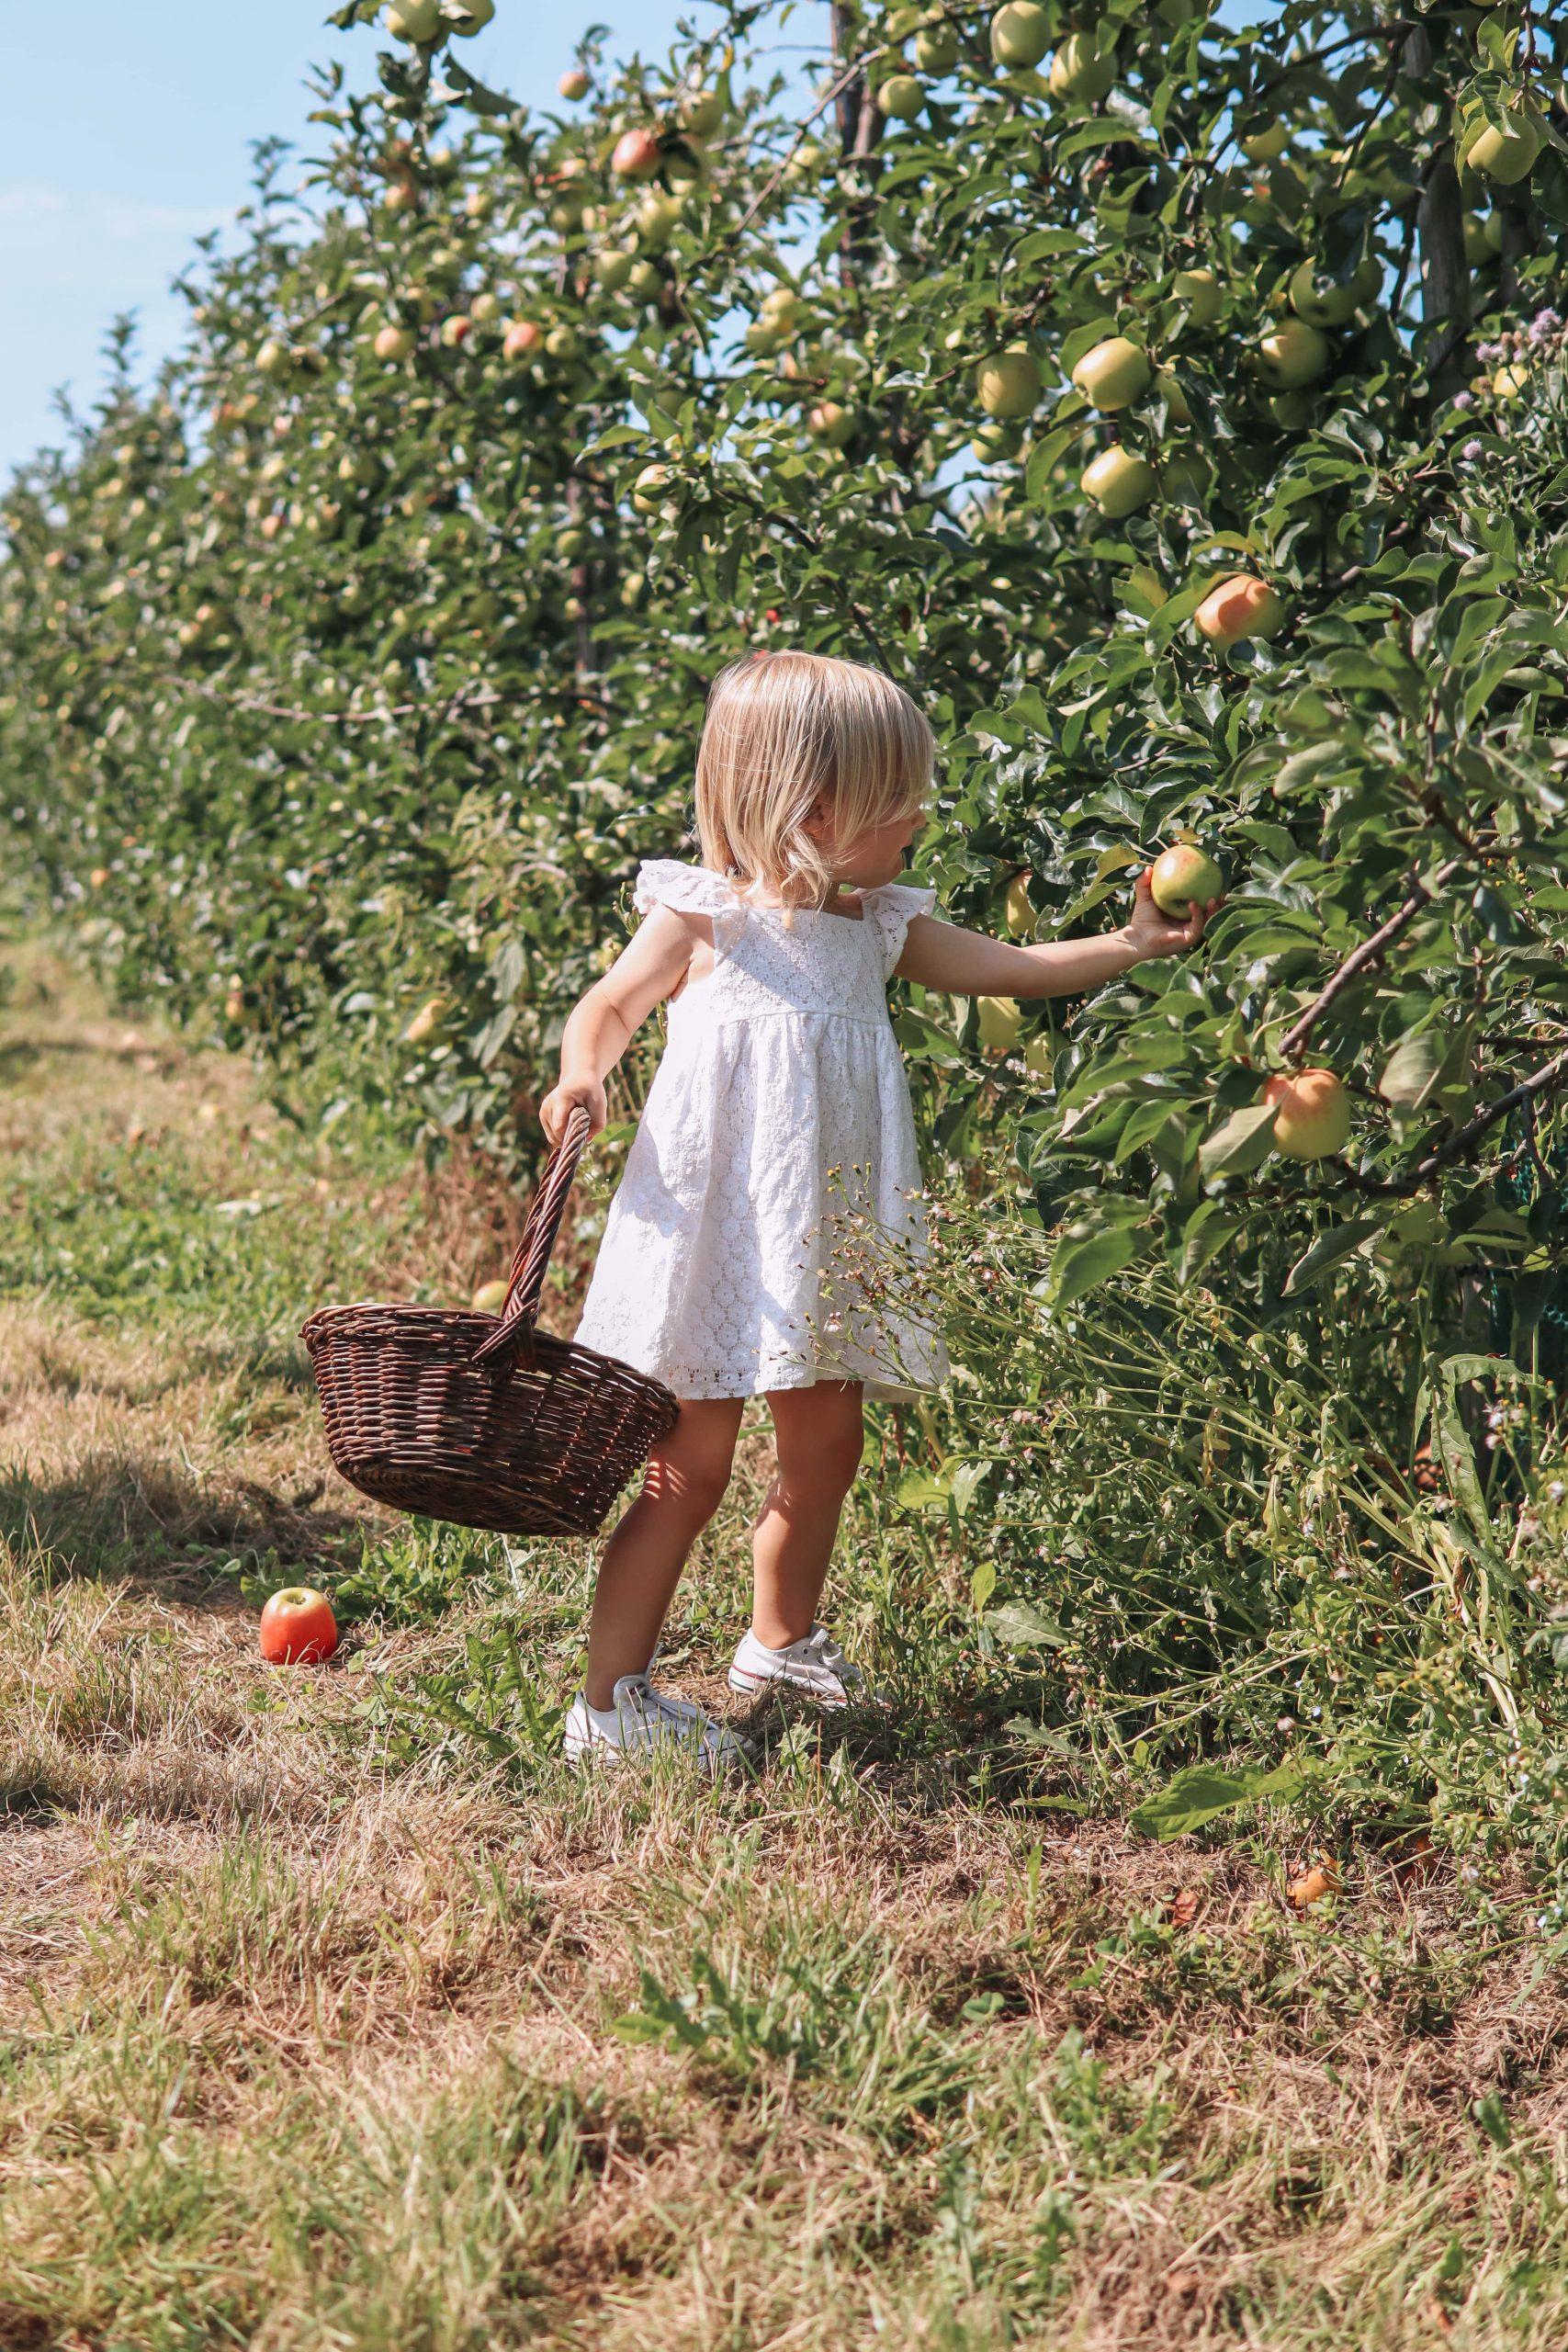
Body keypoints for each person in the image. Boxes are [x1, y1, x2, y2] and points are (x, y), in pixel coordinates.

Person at [539, 650, 1218, 1772]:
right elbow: (611, 1003)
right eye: (900, 797)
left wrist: (1133, 943)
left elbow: (1012, 968)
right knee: (686, 1470)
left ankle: (779, 1638)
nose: (921, 815)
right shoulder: (704, 920)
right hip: (713, 1237)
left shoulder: (879, 924)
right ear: (814, 809)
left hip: (826, 1238)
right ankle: (608, 1707)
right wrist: (581, 1072)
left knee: (828, 1444)